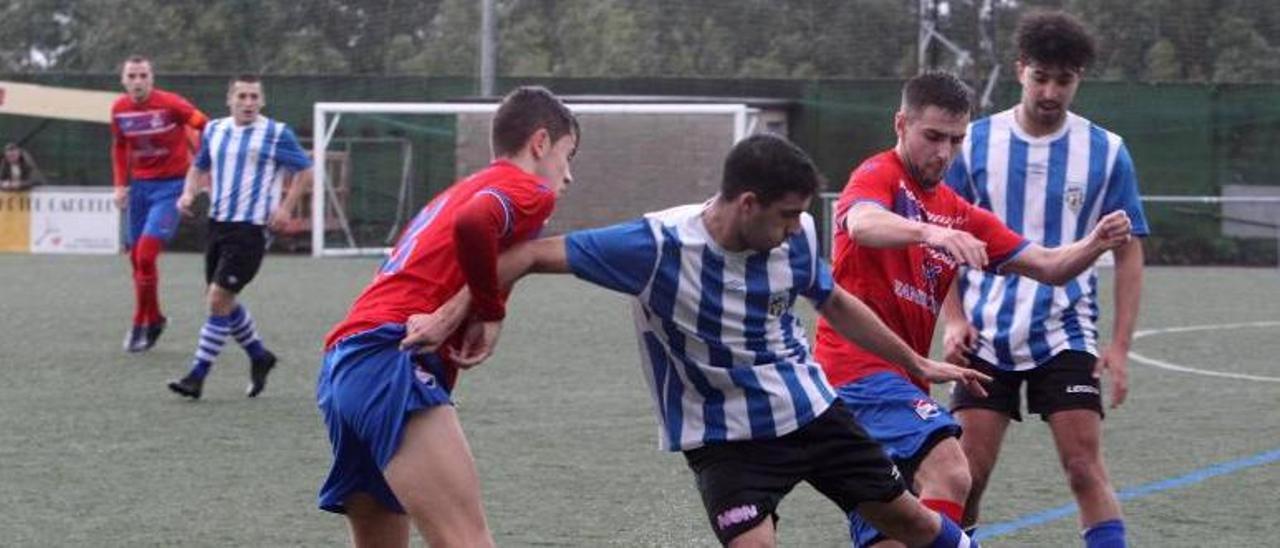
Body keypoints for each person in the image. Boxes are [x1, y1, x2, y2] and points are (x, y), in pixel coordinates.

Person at [416, 134, 989, 548]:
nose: (796, 230)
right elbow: (528, 254)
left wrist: (913, 359)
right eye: (786, 216)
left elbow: (834, 301)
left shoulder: (796, 233)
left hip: (810, 412)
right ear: (747, 204)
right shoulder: (655, 246)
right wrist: (465, 310)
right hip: (724, 440)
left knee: (910, 523)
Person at [812, 71, 1134, 548]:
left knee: (893, 532)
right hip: (856, 371)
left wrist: (1094, 242)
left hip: (904, 379)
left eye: (956, 140)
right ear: (901, 124)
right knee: (952, 469)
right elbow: (861, 224)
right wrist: (930, 233)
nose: (943, 152)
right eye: (932, 136)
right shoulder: (879, 175)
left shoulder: (958, 211)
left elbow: (1047, 266)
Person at [316, 86, 578, 547]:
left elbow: (476, 234)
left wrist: (476, 306)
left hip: (347, 362)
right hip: (391, 358)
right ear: (540, 143)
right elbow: (475, 224)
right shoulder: (527, 189)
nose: (568, 176)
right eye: (567, 155)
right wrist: (491, 309)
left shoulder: (464, 187)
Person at [940, 12, 1149, 548]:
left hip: (1066, 329)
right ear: (1020, 71)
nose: (1052, 90)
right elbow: (943, 240)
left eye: (1065, 78)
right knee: (967, 474)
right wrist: (956, 317)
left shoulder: (1106, 151)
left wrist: (1120, 347)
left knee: (1084, 467)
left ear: (1079, 78)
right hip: (985, 333)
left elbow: (1130, 253)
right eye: (1041, 77)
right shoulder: (975, 145)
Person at [165, 75, 313, 400]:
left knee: (218, 300)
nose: (248, 103)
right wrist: (188, 194)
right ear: (229, 99)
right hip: (218, 224)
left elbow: (305, 170)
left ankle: (196, 376)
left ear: (262, 101)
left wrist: (286, 207)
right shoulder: (215, 130)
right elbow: (199, 166)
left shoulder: (275, 133)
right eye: (242, 96)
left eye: (254, 97)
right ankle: (260, 356)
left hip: (251, 230)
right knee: (221, 300)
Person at [111, 55, 209, 352]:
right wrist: (119, 185)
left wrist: (202, 168)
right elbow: (118, 145)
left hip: (171, 188)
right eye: (132, 76)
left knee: (145, 255)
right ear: (123, 80)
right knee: (135, 259)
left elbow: (205, 124)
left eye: (143, 75)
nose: (138, 81)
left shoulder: (171, 104)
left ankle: (140, 321)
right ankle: (155, 318)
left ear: (151, 78)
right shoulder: (119, 109)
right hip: (140, 189)